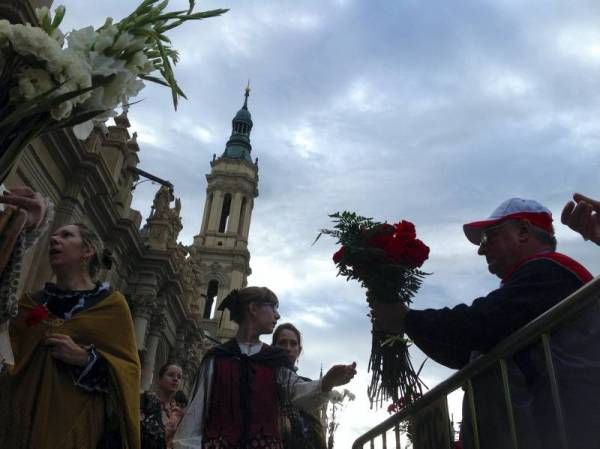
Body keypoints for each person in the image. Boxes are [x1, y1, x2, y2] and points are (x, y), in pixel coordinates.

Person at [372, 198, 600, 449]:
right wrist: (406, 323)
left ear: (523, 232)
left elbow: (477, 324)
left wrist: (404, 318)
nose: (481, 250)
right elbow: (463, 351)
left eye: (486, 238)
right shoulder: (533, 285)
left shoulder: (550, 270)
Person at [0, 222, 141, 449]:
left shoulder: (110, 306)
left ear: (88, 250)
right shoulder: (31, 303)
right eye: (53, 236)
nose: (55, 240)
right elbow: (8, 352)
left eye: (66, 236)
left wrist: (86, 359)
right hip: (19, 424)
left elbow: (128, 372)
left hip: (73, 428)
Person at [173, 287, 357, 449]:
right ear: (253, 309)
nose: (277, 315)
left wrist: (327, 382)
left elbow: (298, 393)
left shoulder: (274, 360)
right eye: (273, 308)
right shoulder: (217, 359)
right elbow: (195, 416)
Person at [272, 323, 327, 449]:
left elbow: (317, 432)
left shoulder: (306, 385)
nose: (288, 348)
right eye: (282, 343)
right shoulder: (264, 378)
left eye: (293, 343)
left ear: (299, 350)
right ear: (273, 347)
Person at [141, 362, 186, 449]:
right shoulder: (145, 400)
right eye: (170, 375)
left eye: (179, 377)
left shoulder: (177, 411)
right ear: (160, 379)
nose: (175, 379)